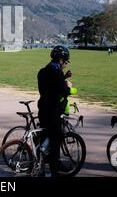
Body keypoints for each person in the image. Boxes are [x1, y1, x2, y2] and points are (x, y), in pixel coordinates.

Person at [37, 45, 73, 177]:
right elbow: (62, 91)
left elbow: (50, 86)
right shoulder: (56, 73)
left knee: (43, 137)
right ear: (61, 60)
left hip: (43, 108)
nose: (65, 64)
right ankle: (54, 170)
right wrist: (68, 86)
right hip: (53, 111)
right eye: (66, 61)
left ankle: (40, 166)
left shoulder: (42, 71)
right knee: (55, 140)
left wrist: (63, 78)